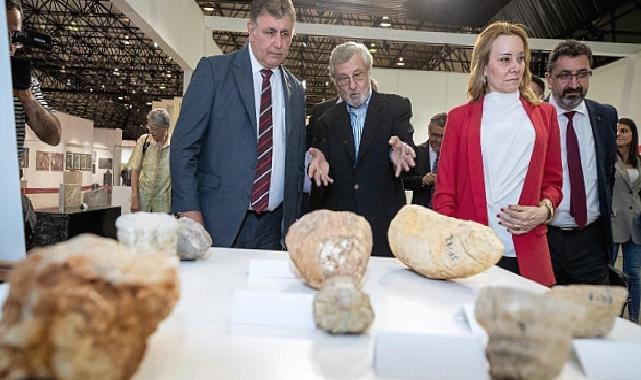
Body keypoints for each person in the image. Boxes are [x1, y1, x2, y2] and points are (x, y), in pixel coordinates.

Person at [432, 21, 563, 286]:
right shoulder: (459, 118)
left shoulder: (545, 115)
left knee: (527, 326)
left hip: (527, 251)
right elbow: (445, 192)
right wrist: (450, 246)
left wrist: (545, 210)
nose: (515, 67)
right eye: (505, 59)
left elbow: (553, 181)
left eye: (520, 58)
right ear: (483, 65)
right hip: (472, 252)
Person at [170, 0, 306, 250]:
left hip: (275, 229)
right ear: (251, 30)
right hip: (216, 222)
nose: (278, 43)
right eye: (270, 32)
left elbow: (293, 157)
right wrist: (188, 209)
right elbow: (183, 147)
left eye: (285, 34)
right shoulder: (213, 72)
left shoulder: (295, 89)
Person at [309, 41, 416, 257]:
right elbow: (320, 167)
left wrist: (400, 155)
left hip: (383, 230)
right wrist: (319, 161)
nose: (352, 85)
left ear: (369, 73)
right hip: (339, 232)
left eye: (357, 75)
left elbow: (408, 158)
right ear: (335, 82)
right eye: (343, 78)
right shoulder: (327, 119)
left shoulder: (396, 108)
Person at [544, 40, 618, 285]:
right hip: (543, 238)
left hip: (591, 241)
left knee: (591, 320)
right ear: (549, 78)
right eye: (565, 76)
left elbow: (607, 175)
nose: (574, 85)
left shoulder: (605, 116)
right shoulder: (531, 118)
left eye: (582, 75)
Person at [7, 0, 60, 163]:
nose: (10, 42)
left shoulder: (26, 83)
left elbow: (53, 137)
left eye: (15, 35)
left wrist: (28, 98)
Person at [611, 117, 641, 323]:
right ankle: (609, 315)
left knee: (635, 273)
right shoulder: (606, 159)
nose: (619, 134)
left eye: (624, 131)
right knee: (608, 270)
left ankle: (634, 318)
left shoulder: (639, 162)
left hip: (636, 224)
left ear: (633, 135)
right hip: (612, 221)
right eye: (617, 131)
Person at [129, 109, 171, 213]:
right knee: (141, 229)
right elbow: (135, 170)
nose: (152, 132)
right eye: (150, 128)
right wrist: (134, 197)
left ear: (165, 128)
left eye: (154, 129)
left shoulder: (174, 145)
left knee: (161, 229)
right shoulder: (143, 141)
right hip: (142, 202)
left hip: (163, 204)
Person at [404, 112, 446, 208]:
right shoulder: (416, 152)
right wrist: (422, 180)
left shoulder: (456, 157)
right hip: (420, 215)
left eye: (442, 136)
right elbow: (403, 181)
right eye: (435, 135)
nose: (439, 140)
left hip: (445, 215)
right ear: (428, 132)